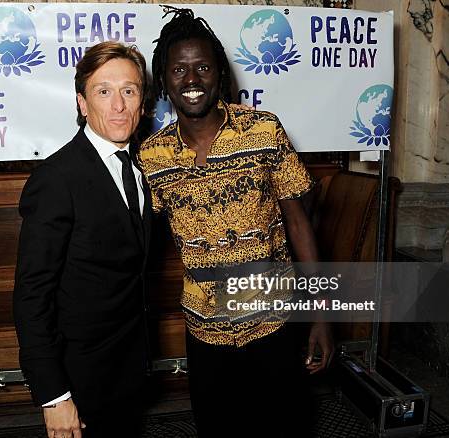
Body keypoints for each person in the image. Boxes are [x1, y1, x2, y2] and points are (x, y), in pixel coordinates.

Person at [138, 8, 334, 437]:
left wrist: (321, 318)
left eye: (203, 67)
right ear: (164, 80)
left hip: (274, 322)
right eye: (179, 69)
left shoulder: (263, 130)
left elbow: (299, 225)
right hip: (205, 331)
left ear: (221, 75)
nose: (192, 80)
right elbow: (139, 245)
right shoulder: (151, 157)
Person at [13, 41, 152, 438]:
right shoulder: (56, 179)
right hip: (79, 381)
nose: (119, 105)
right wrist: (54, 396)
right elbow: (31, 296)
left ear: (143, 101)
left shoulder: (143, 166)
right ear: (82, 103)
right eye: (103, 92)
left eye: (129, 90)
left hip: (128, 372)